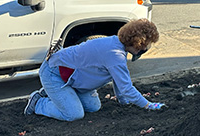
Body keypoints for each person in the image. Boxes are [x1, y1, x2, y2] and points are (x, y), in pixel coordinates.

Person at [24, 18, 165, 121]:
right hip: (54, 73)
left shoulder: (116, 44)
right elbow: (126, 88)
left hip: (73, 77)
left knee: (93, 107)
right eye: (147, 45)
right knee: (73, 114)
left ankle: (58, 94)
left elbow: (118, 79)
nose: (147, 49)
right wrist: (148, 105)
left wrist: (124, 101)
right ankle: (38, 102)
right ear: (139, 44)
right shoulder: (114, 55)